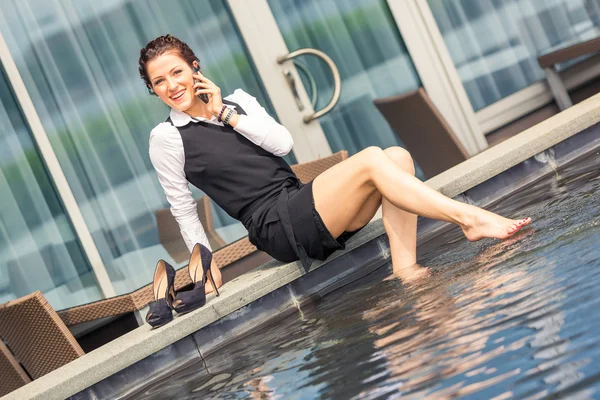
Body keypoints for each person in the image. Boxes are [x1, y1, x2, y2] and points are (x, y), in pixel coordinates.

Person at [139, 34, 531, 294]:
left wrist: (224, 112)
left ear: (195, 68)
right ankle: (469, 219)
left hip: (300, 202)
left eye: (177, 72)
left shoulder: (237, 102)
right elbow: (183, 207)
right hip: (274, 226)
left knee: (397, 157)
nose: (172, 86)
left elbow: (283, 144)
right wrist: (203, 268)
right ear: (153, 90)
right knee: (374, 161)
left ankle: (407, 271)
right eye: (159, 82)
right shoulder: (167, 138)